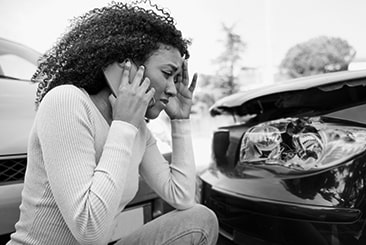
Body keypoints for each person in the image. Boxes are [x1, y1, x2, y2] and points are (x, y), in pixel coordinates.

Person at [7, 1, 219, 244]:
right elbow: (89, 231)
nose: (172, 89)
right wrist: (124, 126)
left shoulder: (137, 129)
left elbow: (181, 197)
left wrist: (180, 122)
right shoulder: (67, 101)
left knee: (200, 220)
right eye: (167, 74)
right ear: (126, 66)